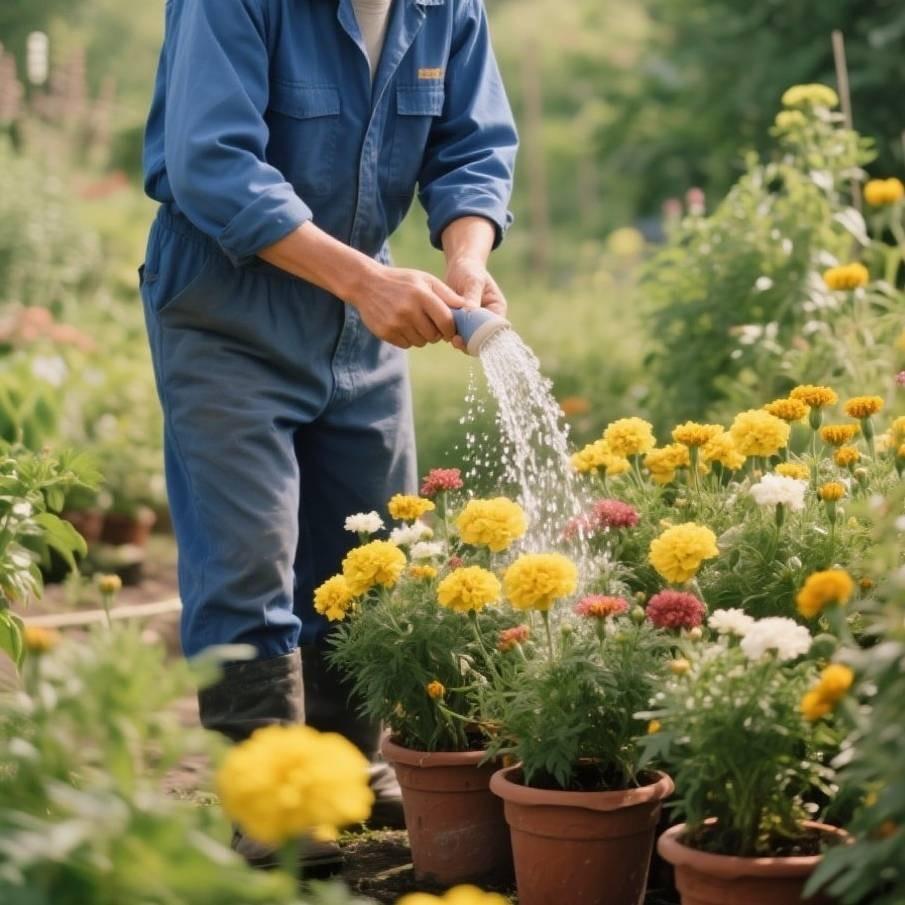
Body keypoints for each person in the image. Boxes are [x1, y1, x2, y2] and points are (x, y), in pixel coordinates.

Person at [139, 0, 517, 872]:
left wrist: (466, 259)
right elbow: (212, 163)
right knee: (247, 557)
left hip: (359, 314)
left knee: (368, 549)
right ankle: (267, 796)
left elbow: (472, 147)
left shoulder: (444, 8)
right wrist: (365, 282)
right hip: (227, 308)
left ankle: (346, 765)